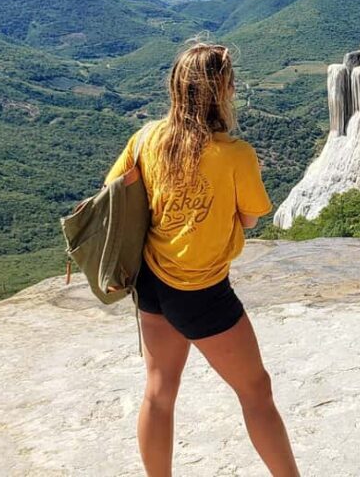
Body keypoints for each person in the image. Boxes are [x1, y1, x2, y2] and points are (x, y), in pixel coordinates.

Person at [105, 42, 299, 476]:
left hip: (152, 282)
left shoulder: (146, 138)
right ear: (222, 91)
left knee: (158, 391)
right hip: (202, 290)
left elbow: (115, 192)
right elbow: (249, 219)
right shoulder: (235, 155)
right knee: (256, 391)